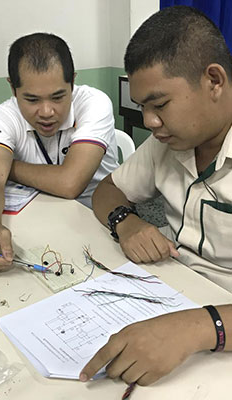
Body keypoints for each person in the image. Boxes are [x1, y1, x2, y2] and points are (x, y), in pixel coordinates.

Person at [79, 5, 232, 387]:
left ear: (214, 80)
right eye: (143, 106)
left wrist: (200, 326)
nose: (149, 121)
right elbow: (109, 190)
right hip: (173, 292)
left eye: (160, 105)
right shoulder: (170, 141)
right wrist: (125, 222)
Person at [0, 32, 118, 272]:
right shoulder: (3, 115)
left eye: (58, 97)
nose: (47, 112)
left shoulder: (94, 103)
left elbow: (69, 183)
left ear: (73, 82)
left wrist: (4, 164)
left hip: (102, 221)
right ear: (13, 89)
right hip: (45, 220)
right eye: (32, 100)